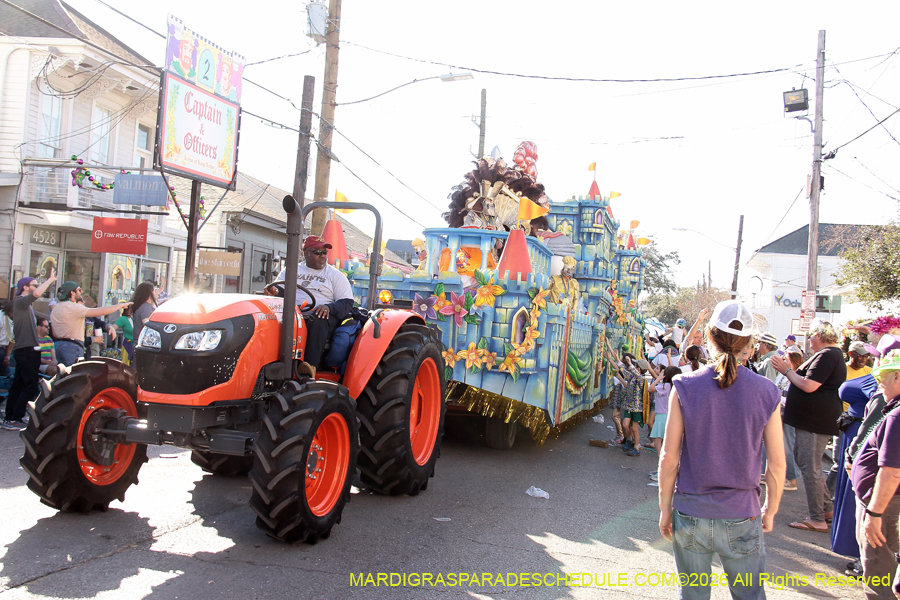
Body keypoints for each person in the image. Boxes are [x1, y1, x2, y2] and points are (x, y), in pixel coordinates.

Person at [658, 299, 785, 600]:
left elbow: (669, 458)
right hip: (742, 513)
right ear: (750, 344)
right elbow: (777, 465)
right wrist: (771, 508)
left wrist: (665, 509)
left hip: (690, 510)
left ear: (710, 336)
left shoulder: (684, 385)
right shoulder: (767, 391)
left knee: (693, 594)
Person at [772, 320, 847, 533]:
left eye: (812, 334)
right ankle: (825, 510)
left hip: (815, 421)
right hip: (813, 419)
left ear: (821, 336)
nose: (809, 338)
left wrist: (787, 370)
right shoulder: (829, 355)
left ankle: (817, 518)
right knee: (807, 464)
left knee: (810, 467)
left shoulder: (827, 355)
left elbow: (809, 385)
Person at [850, 349, 900, 600]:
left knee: (880, 579)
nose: (879, 381)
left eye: (884, 376)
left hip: (886, 506)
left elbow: (892, 472)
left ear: (898, 377)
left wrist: (874, 513)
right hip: (887, 504)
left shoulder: (898, 415)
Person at [267, 235, 354, 378]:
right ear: (306, 253)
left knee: (318, 317)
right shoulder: (292, 270)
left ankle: (309, 365)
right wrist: (273, 291)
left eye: (324, 252)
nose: (322, 256)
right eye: (317, 252)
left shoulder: (334, 275)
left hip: (322, 317)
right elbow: (279, 291)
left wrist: (328, 307)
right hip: (294, 314)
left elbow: (347, 302)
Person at [831, 374, 878, 562]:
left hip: (862, 442)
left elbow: (876, 415)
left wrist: (855, 452)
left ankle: (864, 558)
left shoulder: (883, 386)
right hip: (854, 437)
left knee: (859, 499)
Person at [3, 271, 57, 431]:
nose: (36, 287)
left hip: (25, 349)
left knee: (18, 385)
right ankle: (16, 417)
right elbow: (36, 293)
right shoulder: (21, 302)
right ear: (25, 288)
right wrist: (50, 280)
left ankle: (11, 417)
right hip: (27, 350)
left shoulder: (24, 306)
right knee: (30, 386)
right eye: (33, 284)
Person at [51, 281, 130, 368]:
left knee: (62, 377)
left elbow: (54, 333)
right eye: (79, 290)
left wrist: (108, 326)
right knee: (75, 378)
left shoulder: (56, 309)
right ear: (72, 293)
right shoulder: (73, 307)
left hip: (57, 346)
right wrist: (120, 306)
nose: (81, 292)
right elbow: (102, 311)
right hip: (72, 347)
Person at [131, 281, 158, 345]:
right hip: (144, 344)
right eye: (154, 291)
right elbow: (149, 325)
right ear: (149, 294)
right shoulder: (146, 309)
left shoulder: (144, 307)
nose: (156, 293)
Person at [0, 300, 13, 377]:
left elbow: (12, 340)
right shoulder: (0, 318)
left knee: (7, 374)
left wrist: (7, 356)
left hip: (2, 348)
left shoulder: (14, 319)